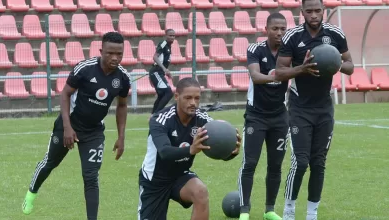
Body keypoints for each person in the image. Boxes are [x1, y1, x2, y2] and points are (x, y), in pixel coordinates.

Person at [22, 32, 131, 220]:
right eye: (110, 53)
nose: (115, 58)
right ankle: (31, 194)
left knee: (91, 178)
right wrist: (67, 127)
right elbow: (65, 94)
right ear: (101, 51)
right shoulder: (85, 68)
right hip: (69, 124)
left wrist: (121, 137)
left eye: (119, 54)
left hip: (94, 132)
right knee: (50, 163)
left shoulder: (123, 77)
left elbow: (122, 105)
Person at [274, 0, 354, 219]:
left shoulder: (335, 34)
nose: (313, 15)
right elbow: (279, 72)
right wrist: (303, 68)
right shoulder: (293, 37)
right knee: (300, 162)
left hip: (324, 108)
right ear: (302, 13)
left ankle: (312, 213)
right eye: (308, 11)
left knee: (318, 162)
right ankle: (289, 209)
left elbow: (350, 66)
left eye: (317, 11)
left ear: (323, 11)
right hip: (300, 107)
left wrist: (334, 62)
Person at [137, 77, 242, 220]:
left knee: (200, 192)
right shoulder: (160, 120)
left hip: (180, 174)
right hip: (155, 180)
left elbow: (217, 145)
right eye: (188, 98)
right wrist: (191, 150)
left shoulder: (202, 119)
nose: (193, 103)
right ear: (176, 96)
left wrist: (231, 151)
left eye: (197, 98)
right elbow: (164, 152)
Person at [237, 12, 289, 220]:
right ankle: (244, 211)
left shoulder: (289, 52)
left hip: (279, 117)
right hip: (256, 116)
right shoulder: (255, 49)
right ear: (266, 29)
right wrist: (276, 75)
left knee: (275, 165)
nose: (279, 33)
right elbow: (256, 77)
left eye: (283, 29)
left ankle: (269, 210)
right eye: (275, 28)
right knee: (250, 163)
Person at [149, 29, 176, 118]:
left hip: (159, 72)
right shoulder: (163, 44)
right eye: (170, 35)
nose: (172, 37)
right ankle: (157, 115)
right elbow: (155, 57)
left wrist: (166, 71)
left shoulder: (169, 46)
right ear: (166, 36)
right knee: (168, 93)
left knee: (161, 95)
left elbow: (162, 60)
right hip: (156, 72)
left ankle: (153, 114)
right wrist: (164, 69)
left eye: (173, 36)